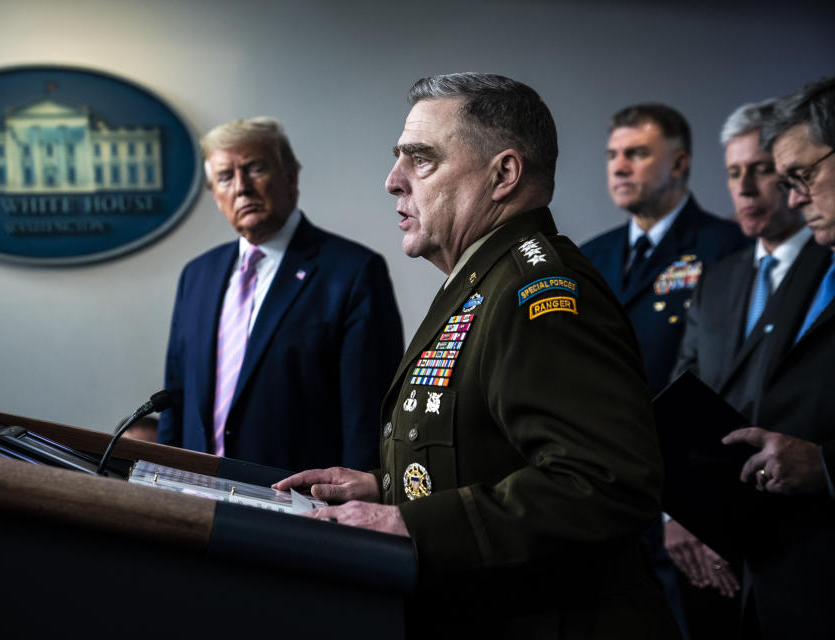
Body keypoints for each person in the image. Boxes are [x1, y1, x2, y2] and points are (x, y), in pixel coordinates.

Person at [275, 73, 678, 637]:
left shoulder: (538, 292)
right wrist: (384, 488)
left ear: (504, 175)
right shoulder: (483, 280)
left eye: (421, 161)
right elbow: (486, 452)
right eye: (398, 160)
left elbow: (605, 483)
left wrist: (412, 525)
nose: (393, 182)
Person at [581, 103, 749, 636]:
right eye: (612, 155)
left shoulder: (726, 249)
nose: (619, 166)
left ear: (679, 164)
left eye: (637, 153)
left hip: (688, 498)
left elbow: (726, 386)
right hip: (606, 492)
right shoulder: (590, 257)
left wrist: (688, 509)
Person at [157, 117, 403, 472]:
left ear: (290, 177)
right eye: (225, 177)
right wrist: (165, 481)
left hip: (300, 503)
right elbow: (174, 400)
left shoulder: (353, 272)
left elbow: (367, 415)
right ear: (215, 196)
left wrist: (352, 509)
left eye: (255, 169)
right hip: (198, 498)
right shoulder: (197, 275)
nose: (241, 188)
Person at [669, 99, 810, 639]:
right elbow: (685, 397)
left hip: (803, 543)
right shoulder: (719, 280)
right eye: (733, 173)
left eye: (761, 169)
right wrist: (682, 515)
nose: (746, 188)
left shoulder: (829, 263)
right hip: (711, 546)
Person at [709, 76, 835, 640]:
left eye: (803, 175)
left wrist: (827, 467)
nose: (794, 197)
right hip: (775, 579)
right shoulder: (811, 261)